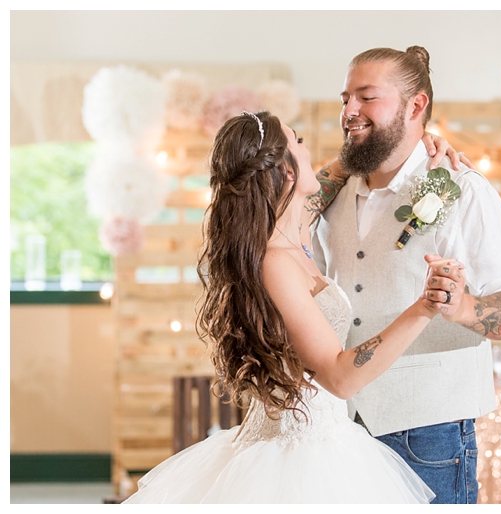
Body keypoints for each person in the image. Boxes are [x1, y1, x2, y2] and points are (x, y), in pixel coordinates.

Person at [124, 111, 468, 503]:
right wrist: (424, 307)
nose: (309, 151)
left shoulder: (296, 227)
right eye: (298, 142)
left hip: (328, 440)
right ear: (285, 172)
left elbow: (341, 168)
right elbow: (340, 378)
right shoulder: (275, 263)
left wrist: (418, 142)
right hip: (296, 460)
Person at [309, 46, 501, 504]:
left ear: (416, 106)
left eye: (367, 98)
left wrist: (463, 306)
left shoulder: (466, 190)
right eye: (345, 98)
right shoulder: (328, 195)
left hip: (429, 436)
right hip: (337, 429)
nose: (350, 111)